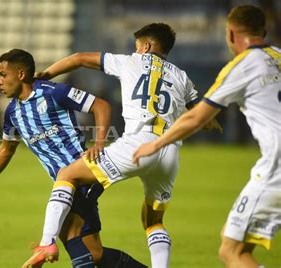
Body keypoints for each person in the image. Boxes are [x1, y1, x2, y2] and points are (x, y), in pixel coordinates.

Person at [25, 23, 222, 268]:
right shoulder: (182, 76)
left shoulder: (130, 61)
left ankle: (46, 243)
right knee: (153, 221)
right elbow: (203, 115)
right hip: (170, 152)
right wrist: (211, 123)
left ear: (147, 46)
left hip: (138, 145)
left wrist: (47, 75)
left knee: (68, 175)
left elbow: (78, 58)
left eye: (137, 45)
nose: (135, 49)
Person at [132, 5, 280, 268]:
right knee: (235, 242)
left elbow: (196, 116)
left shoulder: (242, 66)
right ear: (264, 31)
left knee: (231, 251)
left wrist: (155, 143)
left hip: (276, 169)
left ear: (231, 34)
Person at [0, 49, 146, 268]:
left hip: (81, 175)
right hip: (65, 184)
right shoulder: (12, 112)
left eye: (3, 74)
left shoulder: (53, 92)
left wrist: (98, 144)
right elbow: (7, 148)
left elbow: (101, 105)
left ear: (20, 74)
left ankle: (46, 245)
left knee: (71, 235)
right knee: (93, 252)